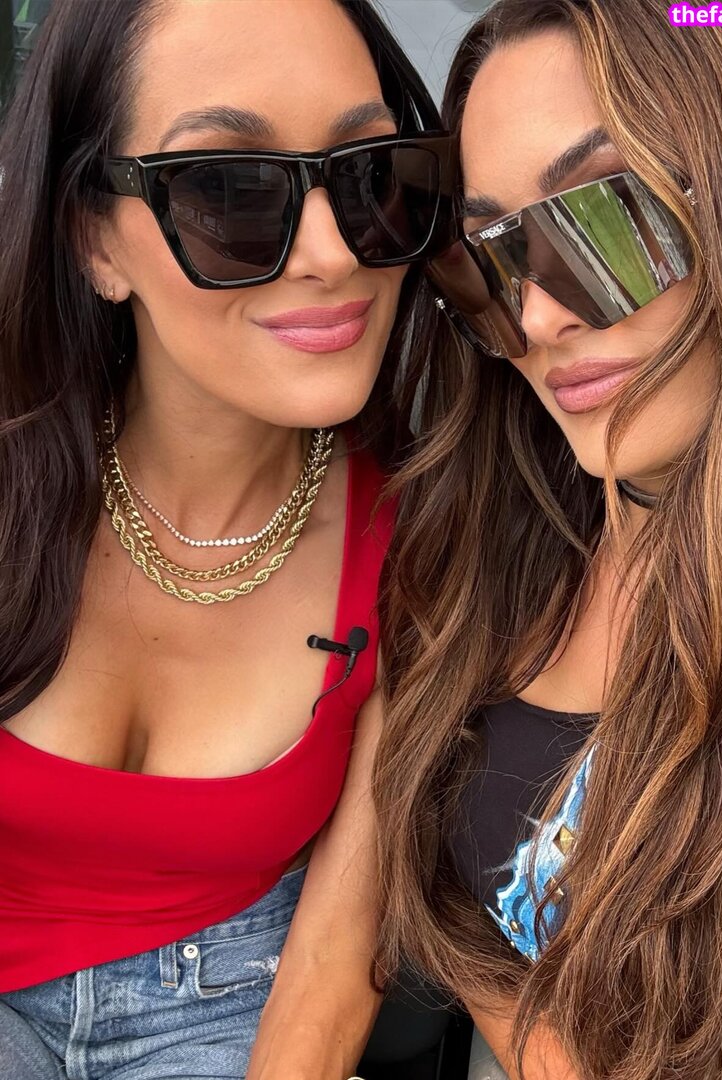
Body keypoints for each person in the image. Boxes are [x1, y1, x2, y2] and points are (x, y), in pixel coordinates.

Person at [372, 1, 722, 1077]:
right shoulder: (508, 542)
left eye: (602, 219)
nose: (538, 319)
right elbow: (489, 940)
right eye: (488, 262)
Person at [0, 1, 454, 1078]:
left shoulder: (425, 532)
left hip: (234, 1006)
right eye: (229, 191)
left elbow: (342, 938)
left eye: (371, 176)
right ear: (94, 239)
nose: (333, 254)